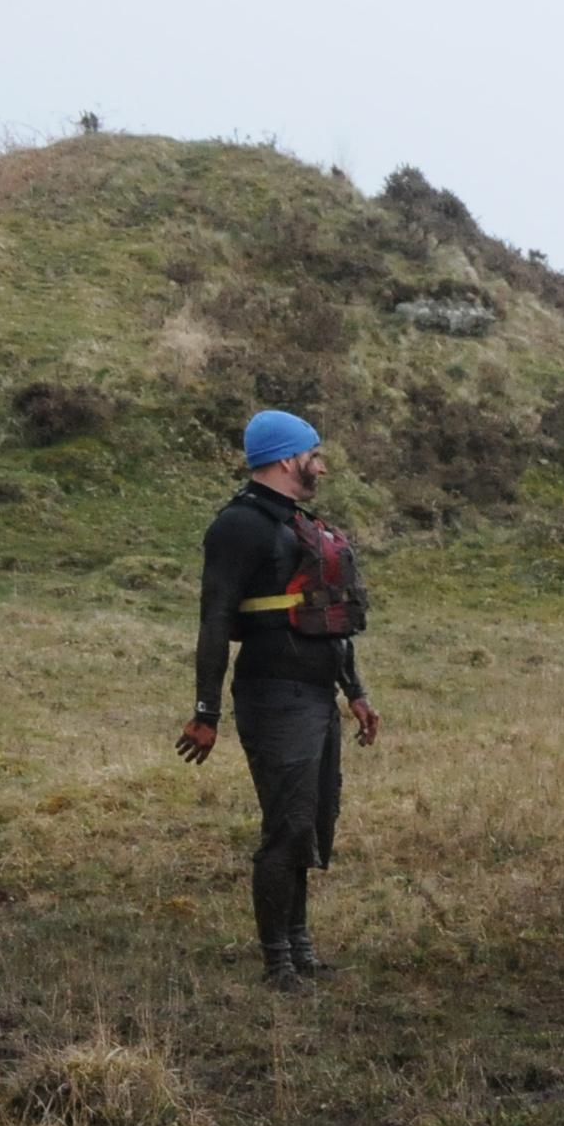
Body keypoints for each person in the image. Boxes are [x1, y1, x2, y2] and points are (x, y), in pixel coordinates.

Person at [177, 409, 382, 986]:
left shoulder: (298, 525)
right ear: (288, 459)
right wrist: (205, 712)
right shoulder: (238, 526)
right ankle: (278, 963)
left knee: (312, 823)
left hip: (316, 693)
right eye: (313, 455)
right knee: (287, 828)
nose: (322, 466)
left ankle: (301, 950)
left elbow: (326, 617)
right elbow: (214, 620)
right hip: (273, 695)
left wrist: (355, 692)